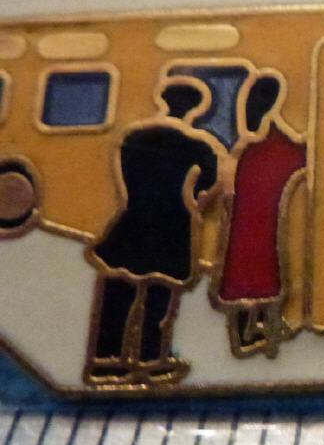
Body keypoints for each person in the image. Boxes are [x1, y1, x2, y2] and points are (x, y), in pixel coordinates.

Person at [85, 77, 224, 385]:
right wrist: (195, 199)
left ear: (165, 100)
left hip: (134, 216)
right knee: (160, 296)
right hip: (172, 222)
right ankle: (150, 358)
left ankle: (105, 359)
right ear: (195, 109)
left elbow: (124, 176)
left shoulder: (134, 136)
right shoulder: (197, 145)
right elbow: (210, 182)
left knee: (119, 290)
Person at [214, 71, 306, 358]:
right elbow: (297, 158)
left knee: (247, 268)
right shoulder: (274, 145)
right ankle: (262, 327)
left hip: (245, 220)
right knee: (267, 267)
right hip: (265, 218)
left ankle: (248, 329)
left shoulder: (246, 147)